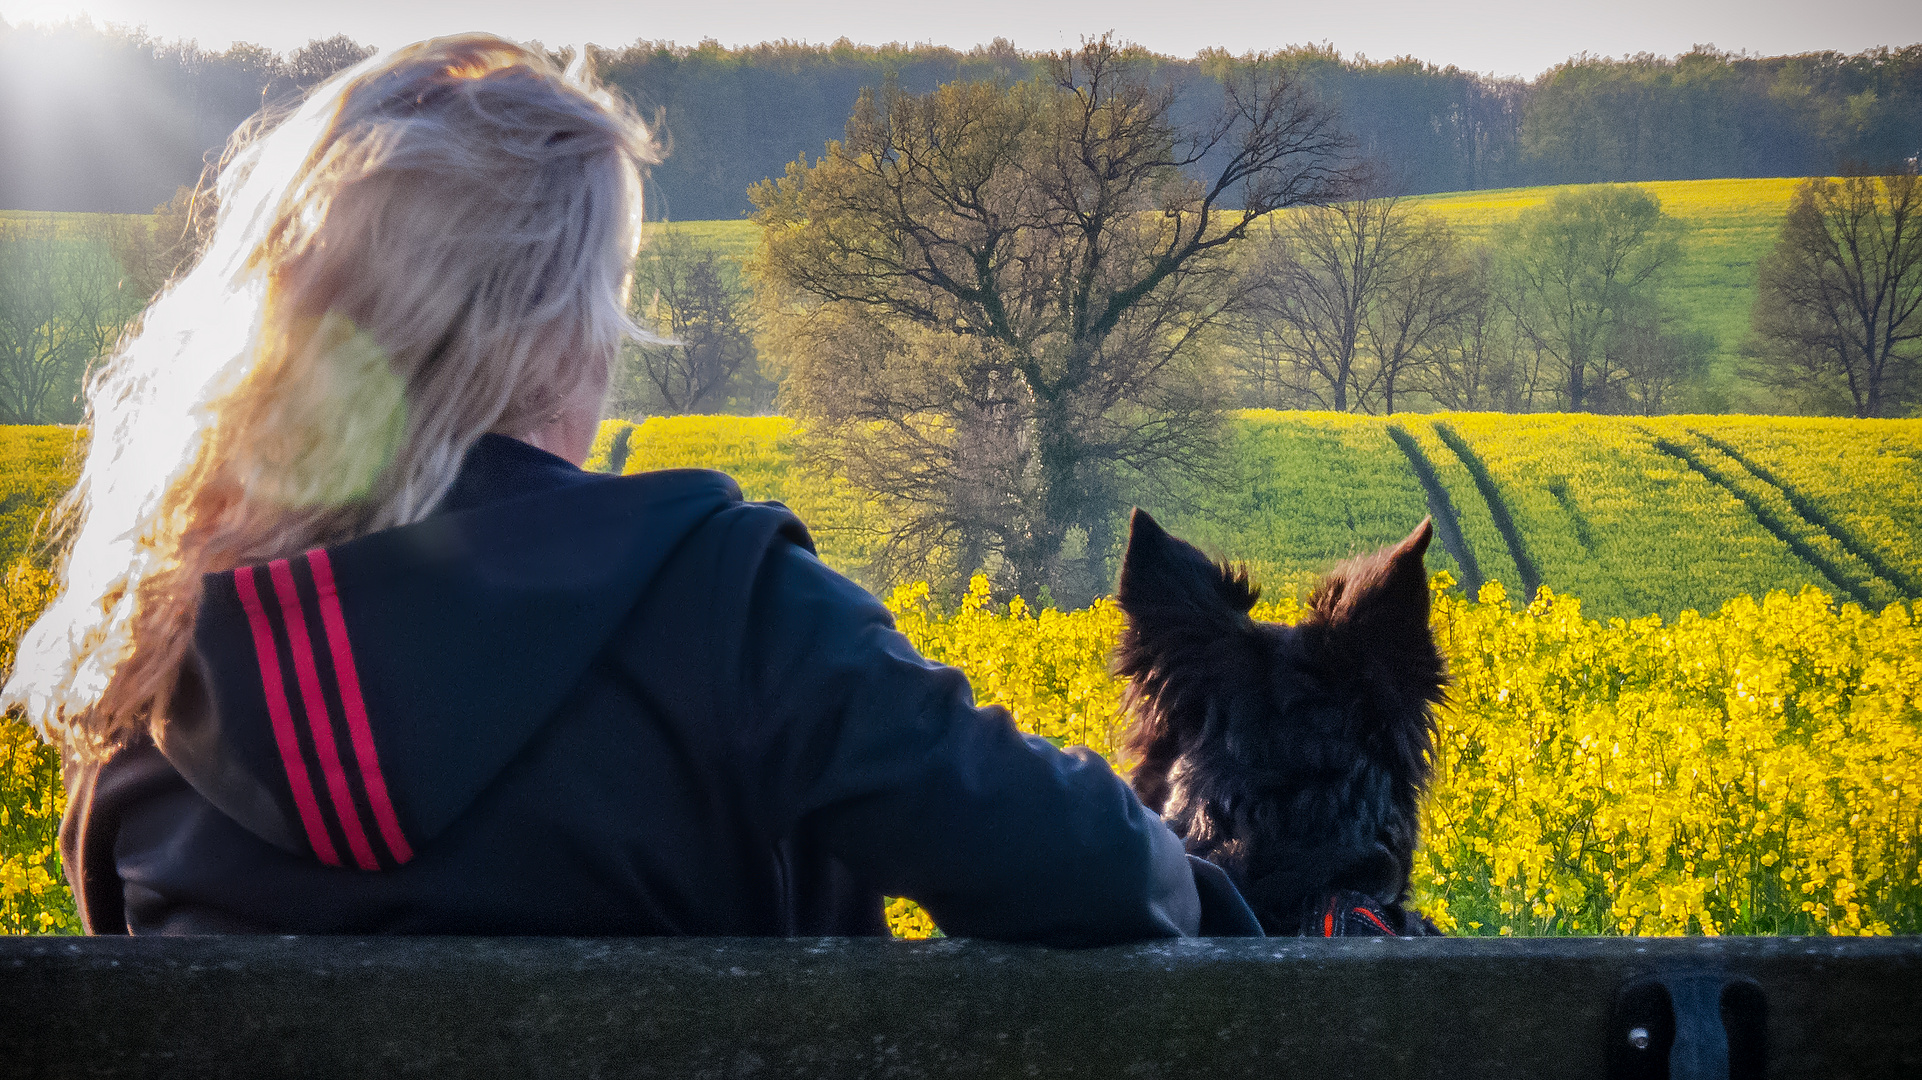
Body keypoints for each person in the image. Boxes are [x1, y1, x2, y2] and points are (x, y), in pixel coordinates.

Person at [4, 35, 1256, 940]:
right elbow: (1083, 872)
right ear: (554, 329)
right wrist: (1186, 869)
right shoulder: (721, 601)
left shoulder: (146, 670)